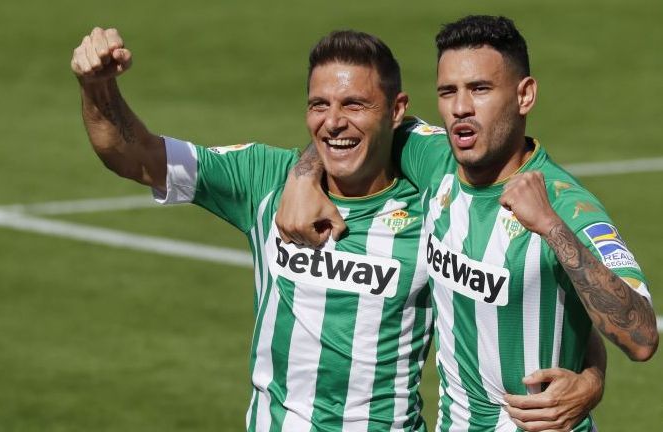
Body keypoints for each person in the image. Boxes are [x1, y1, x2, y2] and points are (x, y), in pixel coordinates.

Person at [71, 27, 606, 431]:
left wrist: (590, 377)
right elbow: (133, 155)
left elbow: (526, 296)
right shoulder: (264, 180)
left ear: (397, 111)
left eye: (354, 104)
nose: (334, 120)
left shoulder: (439, 204)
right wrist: (97, 87)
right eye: (319, 105)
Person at [275, 15, 658, 431]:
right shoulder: (432, 158)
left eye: (480, 89)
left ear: (524, 95)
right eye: (447, 92)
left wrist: (552, 228)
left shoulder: (567, 206)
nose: (460, 108)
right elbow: (354, 124)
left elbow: (641, 339)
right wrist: (302, 176)